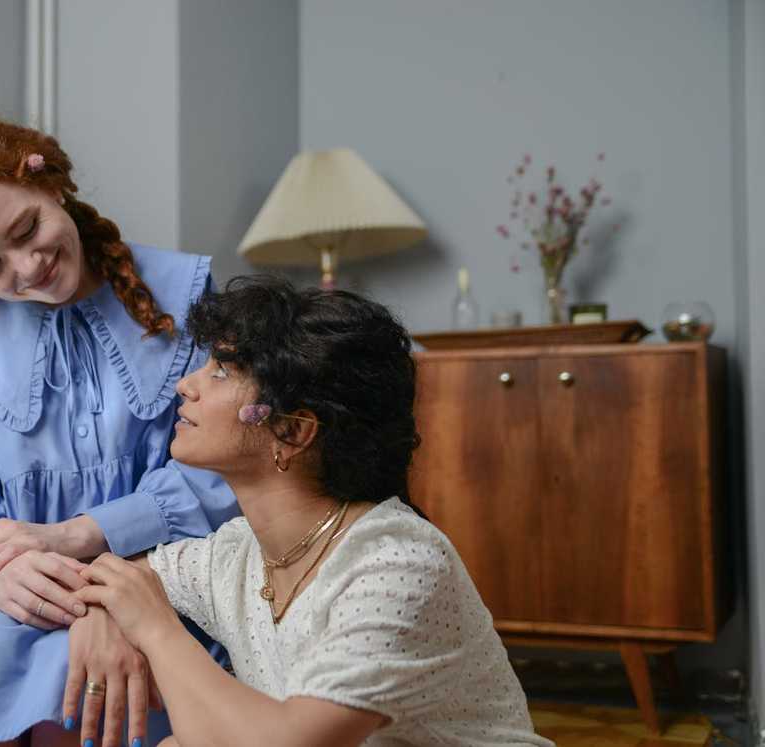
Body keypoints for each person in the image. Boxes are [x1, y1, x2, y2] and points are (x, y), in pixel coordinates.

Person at [0, 115, 239, 747]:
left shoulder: (186, 292)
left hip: (168, 570)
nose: (26, 269)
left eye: (26, 230)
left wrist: (85, 548)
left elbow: (223, 477)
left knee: (87, 667)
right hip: (22, 592)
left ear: (47, 180)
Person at [66, 277, 554, 747]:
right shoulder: (236, 554)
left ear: (294, 431)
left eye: (221, 372)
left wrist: (155, 629)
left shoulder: (397, 564)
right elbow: (120, 581)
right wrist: (102, 615)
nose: (185, 386)